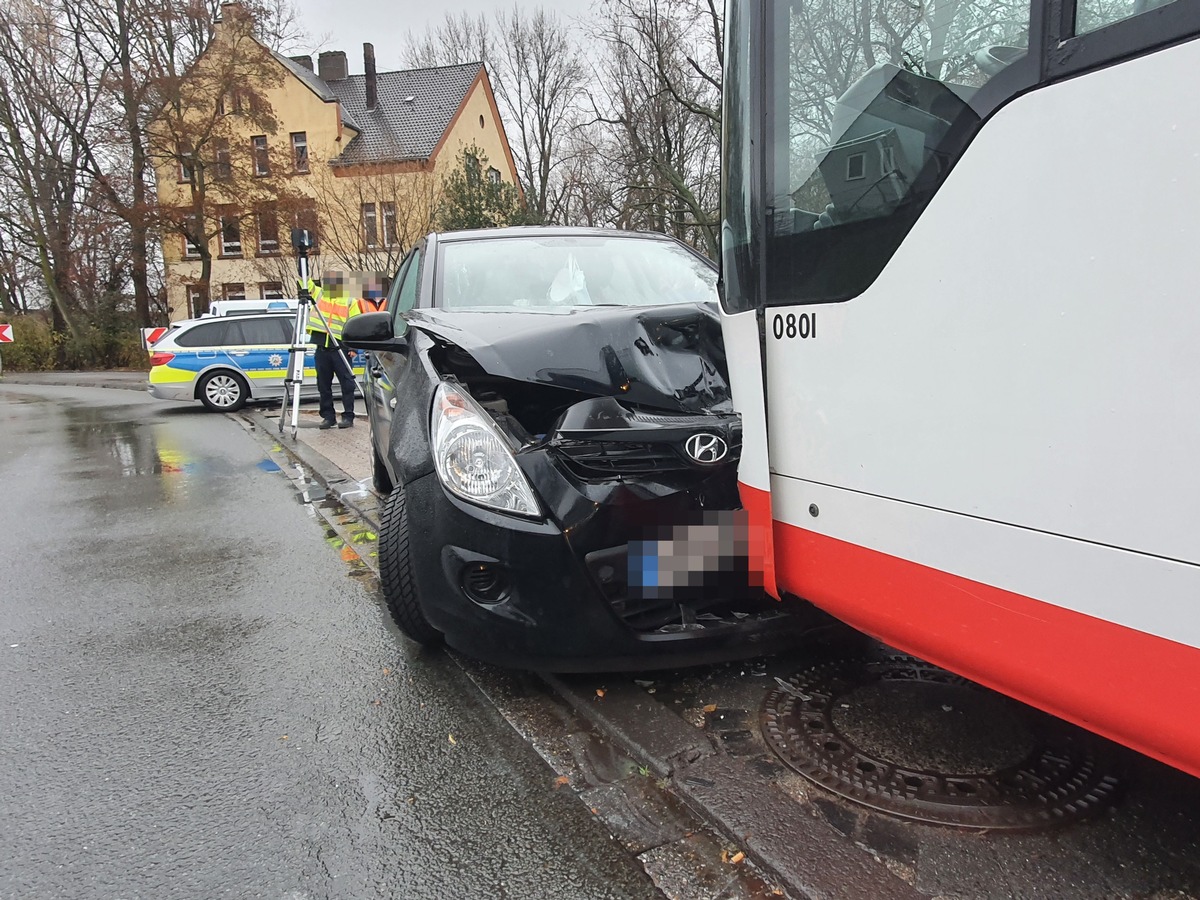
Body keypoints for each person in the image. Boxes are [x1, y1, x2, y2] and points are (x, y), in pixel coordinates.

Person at [306, 270, 357, 429]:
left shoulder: (349, 300)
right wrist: (302, 263)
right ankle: (328, 417)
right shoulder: (319, 294)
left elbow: (355, 324)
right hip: (322, 347)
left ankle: (348, 416)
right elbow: (304, 283)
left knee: (347, 384)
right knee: (323, 385)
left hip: (341, 348)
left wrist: (354, 347)